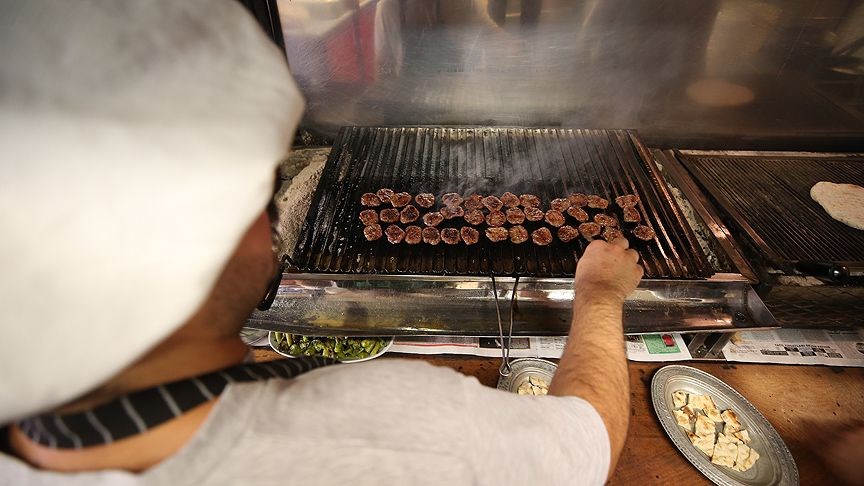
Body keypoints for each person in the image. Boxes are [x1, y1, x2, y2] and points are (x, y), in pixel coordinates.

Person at [0, 1, 642, 484]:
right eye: (260, 193)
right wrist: (600, 293)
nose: (275, 213)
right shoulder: (408, 437)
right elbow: (589, 441)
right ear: (200, 245)